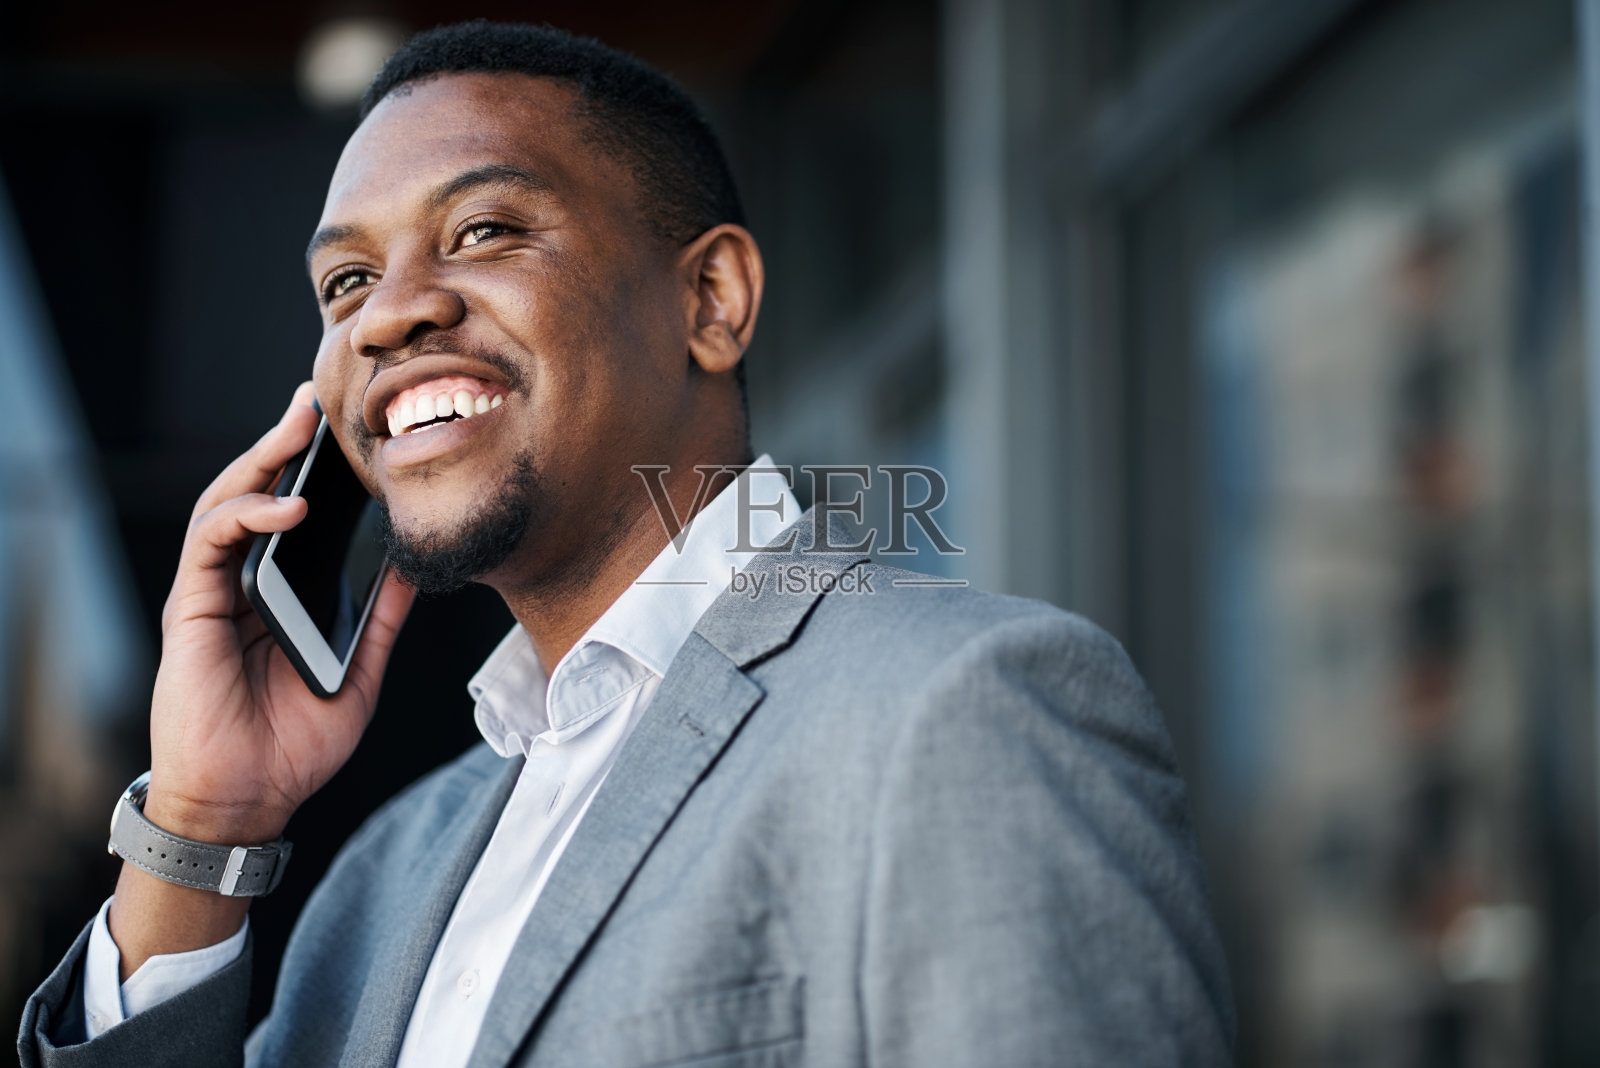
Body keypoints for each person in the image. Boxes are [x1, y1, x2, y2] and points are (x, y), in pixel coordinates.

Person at [20, 20, 1233, 1067]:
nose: (388, 312)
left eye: (486, 229)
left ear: (710, 302)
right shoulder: (381, 877)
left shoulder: (961, 712)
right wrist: (194, 829)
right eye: (344, 284)